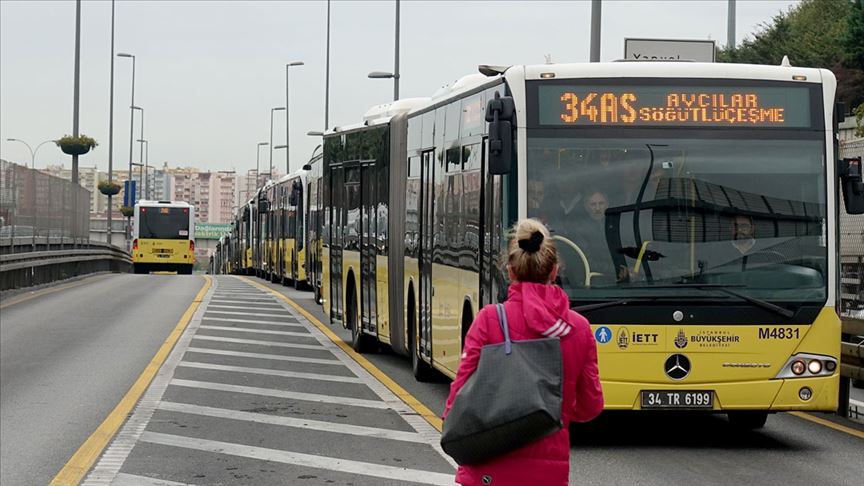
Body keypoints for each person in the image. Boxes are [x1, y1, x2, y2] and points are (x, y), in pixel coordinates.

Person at [443, 218, 604, 486]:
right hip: (547, 475)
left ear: (510, 271)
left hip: (487, 466)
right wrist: (553, 409)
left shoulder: (489, 319)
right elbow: (590, 406)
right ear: (554, 271)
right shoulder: (579, 329)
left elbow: (459, 393)